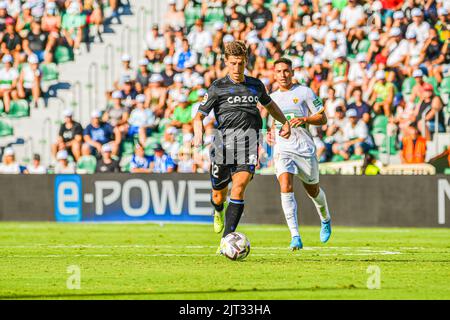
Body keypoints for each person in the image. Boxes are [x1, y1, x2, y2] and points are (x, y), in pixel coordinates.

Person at [193, 40, 291, 254]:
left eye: (240, 63)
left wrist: (284, 122)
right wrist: (198, 132)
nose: (237, 68)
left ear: (246, 62)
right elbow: (199, 116)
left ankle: (226, 239)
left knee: (238, 189)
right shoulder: (217, 87)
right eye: (233, 63)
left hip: (248, 144)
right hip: (222, 146)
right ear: (226, 63)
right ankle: (218, 211)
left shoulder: (255, 85)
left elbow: (270, 105)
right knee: (219, 195)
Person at [268, 58, 332, 250]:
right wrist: (272, 133)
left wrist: (304, 118)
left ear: (292, 72)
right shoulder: (272, 97)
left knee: (313, 191)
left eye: (286, 71)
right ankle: (295, 236)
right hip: (283, 148)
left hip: (304, 148)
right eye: (279, 71)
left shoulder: (304, 92)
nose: (283, 75)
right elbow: (274, 121)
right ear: (274, 74)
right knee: (285, 185)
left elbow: (323, 118)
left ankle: (325, 218)